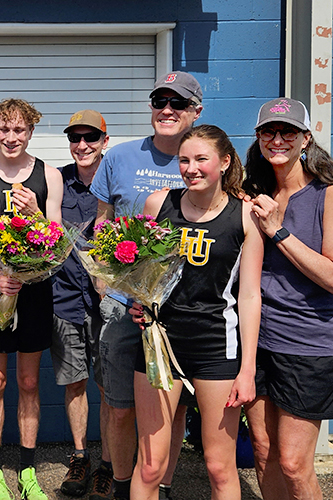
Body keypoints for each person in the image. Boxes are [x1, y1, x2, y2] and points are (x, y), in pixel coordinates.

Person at [130, 124, 264, 500]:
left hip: (215, 348)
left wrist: (248, 369)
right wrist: (138, 302)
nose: (191, 168)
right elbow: (140, 272)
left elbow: (250, 294)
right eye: (184, 160)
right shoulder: (158, 204)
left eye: (201, 159)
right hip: (160, 343)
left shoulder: (246, 216)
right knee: (151, 464)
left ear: (223, 162)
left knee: (219, 467)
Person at [89, 71, 203, 500]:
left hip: (182, 311)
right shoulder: (118, 158)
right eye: (160, 101)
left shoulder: (205, 157)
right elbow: (103, 225)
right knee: (119, 406)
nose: (167, 110)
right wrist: (104, 284)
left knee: (170, 412)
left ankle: (164, 486)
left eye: (178, 103)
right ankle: (122, 485)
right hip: (124, 305)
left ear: (196, 112)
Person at [241, 98, 333, 500]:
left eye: (288, 132)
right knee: (263, 454)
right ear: (259, 138)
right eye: (269, 131)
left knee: (294, 464)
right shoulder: (254, 193)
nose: (277, 139)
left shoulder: (330, 194)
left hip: (310, 343)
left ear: (306, 138)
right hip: (258, 340)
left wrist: (278, 231)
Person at [0, 98, 63, 500]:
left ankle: (27, 471)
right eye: (4, 130)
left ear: (31, 132)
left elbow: (58, 238)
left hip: (34, 291)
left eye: (19, 130)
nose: (11, 138)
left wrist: (39, 212)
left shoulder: (49, 176)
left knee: (29, 381)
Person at [50, 110, 112, 499]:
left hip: (110, 302)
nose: (83, 146)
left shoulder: (117, 178)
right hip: (65, 298)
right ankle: (79, 456)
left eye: (91, 138)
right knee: (74, 383)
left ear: (105, 141)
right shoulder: (57, 181)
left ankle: (109, 462)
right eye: (76, 138)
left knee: (109, 386)